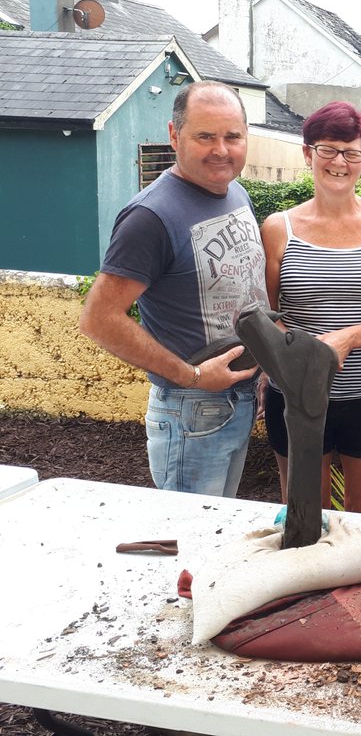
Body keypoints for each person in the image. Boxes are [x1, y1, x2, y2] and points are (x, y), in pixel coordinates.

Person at [80, 81, 268, 497]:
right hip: (191, 409)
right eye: (205, 136)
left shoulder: (234, 192)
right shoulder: (151, 217)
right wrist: (193, 376)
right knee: (189, 541)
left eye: (232, 136)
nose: (221, 149)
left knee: (216, 534)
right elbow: (99, 319)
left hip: (236, 401)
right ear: (173, 135)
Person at [260, 101, 361, 516]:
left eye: (352, 152)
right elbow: (265, 315)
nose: (339, 162)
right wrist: (290, 359)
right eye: (328, 149)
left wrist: (348, 338)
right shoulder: (278, 229)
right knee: (302, 511)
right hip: (296, 397)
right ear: (308, 153)